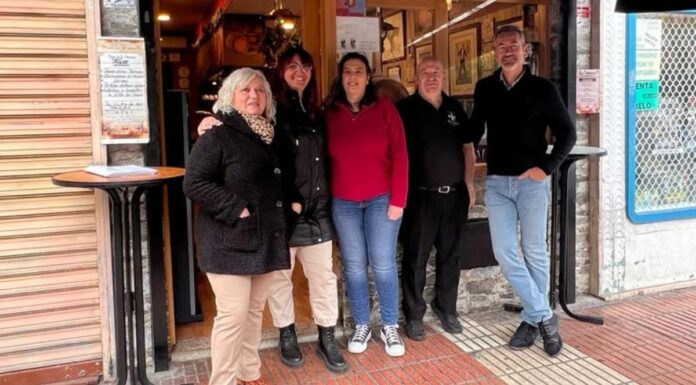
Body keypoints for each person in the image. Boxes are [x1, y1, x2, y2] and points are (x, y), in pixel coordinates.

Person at [196, 47, 347, 374]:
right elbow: (200, 179)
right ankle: (286, 334)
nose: (299, 72)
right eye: (292, 66)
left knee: (319, 279)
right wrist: (212, 120)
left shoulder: (315, 113)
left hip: (311, 210)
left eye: (305, 66)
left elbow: (284, 168)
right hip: (265, 222)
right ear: (281, 72)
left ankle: (324, 338)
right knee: (275, 284)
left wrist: (294, 201)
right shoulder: (262, 118)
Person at [470, 25, 576, 358]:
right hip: (499, 183)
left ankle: (531, 320)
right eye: (501, 46)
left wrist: (545, 168)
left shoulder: (543, 88)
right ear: (495, 51)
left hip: (532, 183)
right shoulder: (485, 88)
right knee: (504, 252)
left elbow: (567, 133)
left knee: (535, 252)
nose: (507, 51)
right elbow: (473, 130)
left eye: (513, 45)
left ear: (525, 49)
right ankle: (545, 316)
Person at [183, 68, 289, 385]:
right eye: (245, 90)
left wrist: (292, 208)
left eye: (259, 90)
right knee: (233, 315)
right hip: (227, 240)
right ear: (230, 96)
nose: (253, 96)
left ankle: (249, 372)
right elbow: (194, 183)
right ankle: (224, 381)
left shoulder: (269, 134)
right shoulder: (217, 134)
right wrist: (236, 208)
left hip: (265, 237)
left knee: (255, 311)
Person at [324, 52, 409, 357]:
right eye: (347, 71)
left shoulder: (385, 109)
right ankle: (362, 323)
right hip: (344, 203)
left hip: (381, 200)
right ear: (341, 76)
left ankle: (389, 327)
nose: (353, 77)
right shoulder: (330, 113)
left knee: (383, 264)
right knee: (355, 267)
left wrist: (398, 200)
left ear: (368, 76)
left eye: (359, 71)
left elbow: (401, 155)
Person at [396, 57, 476, 341]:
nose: (431, 77)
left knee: (451, 256)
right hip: (419, 198)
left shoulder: (455, 109)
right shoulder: (403, 110)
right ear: (415, 78)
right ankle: (414, 315)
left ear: (444, 75)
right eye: (425, 72)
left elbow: (468, 148)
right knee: (416, 258)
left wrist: (469, 182)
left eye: (437, 71)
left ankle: (447, 308)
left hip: (454, 195)